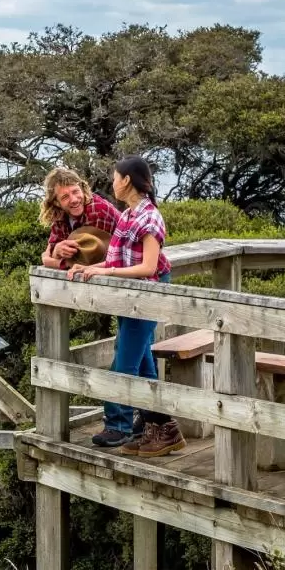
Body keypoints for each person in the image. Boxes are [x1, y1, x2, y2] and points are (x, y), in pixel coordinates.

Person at [67, 156, 186, 458]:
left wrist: (106, 272)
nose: (112, 182)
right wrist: (87, 267)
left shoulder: (149, 217)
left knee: (125, 364)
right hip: (128, 297)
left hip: (146, 295)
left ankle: (120, 426)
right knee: (142, 361)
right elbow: (118, 258)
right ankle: (163, 429)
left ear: (127, 181)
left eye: (115, 177)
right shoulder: (128, 214)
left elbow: (148, 267)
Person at [39, 167, 120, 270]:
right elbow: (51, 250)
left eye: (76, 191)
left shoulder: (97, 210)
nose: (74, 200)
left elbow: (84, 262)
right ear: (56, 202)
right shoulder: (60, 215)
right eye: (65, 197)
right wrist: (56, 251)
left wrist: (49, 261)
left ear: (82, 189)